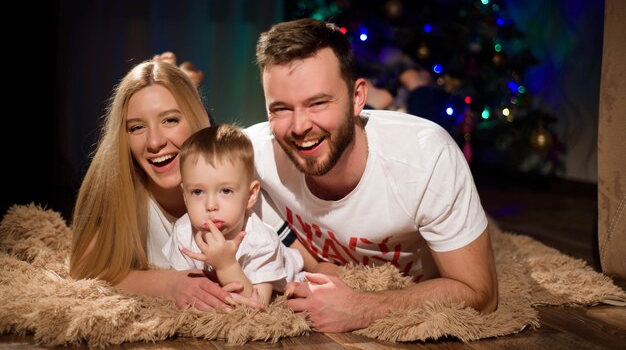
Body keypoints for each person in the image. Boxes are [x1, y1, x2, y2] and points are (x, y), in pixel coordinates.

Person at [245, 17, 499, 332]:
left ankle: (413, 84)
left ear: (356, 97)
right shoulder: (254, 152)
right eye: (280, 109)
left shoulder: (427, 158)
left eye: (318, 103)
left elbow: (482, 295)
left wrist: (363, 308)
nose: (299, 127)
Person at [69, 60, 264, 311]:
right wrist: (168, 284)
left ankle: (188, 78)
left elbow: (305, 259)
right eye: (137, 127)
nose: (154, 142)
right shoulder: (115, 184)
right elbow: (85, 268)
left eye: (170, 120)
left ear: (198, 116)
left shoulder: (240, 174)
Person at [162, 124, 304, 305]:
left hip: (288, 267)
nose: (211, 205)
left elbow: (257, 304)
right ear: (184, 195)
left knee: (303, 271)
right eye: (198, 192)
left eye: (226, 191)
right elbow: (181, 288)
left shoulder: (262, 241)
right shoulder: (183, 232)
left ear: (250, 196)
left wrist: (226, 265)